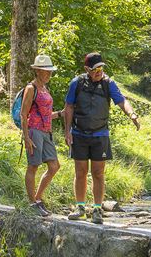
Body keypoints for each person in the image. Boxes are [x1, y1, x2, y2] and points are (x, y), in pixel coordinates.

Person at [65, 52, 140, 224]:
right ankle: (80, 207)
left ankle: (97, 209)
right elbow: (69, 107)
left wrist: (132, 114)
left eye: (101, 68)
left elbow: (122, 101)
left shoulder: (108, 84)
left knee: (98, 173)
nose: (99, 71)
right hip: (79, 133)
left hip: (100, 134)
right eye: (95, 69)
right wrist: (67, 131)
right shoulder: (77, 83)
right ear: (87, 69)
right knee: (80, 172)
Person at [21, 54, 64, 217]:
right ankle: (32, 203)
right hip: (34, 131)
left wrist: (60, 114)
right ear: (37, 71)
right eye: (46, 71)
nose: (49, 74)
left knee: (54, 166)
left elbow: (45, 114)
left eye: (50, 71)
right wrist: (27, 138)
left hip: (47, 132)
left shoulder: (45, 89)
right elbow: (24, 115)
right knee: (33, 165)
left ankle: (38, 198)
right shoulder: (31, 88)